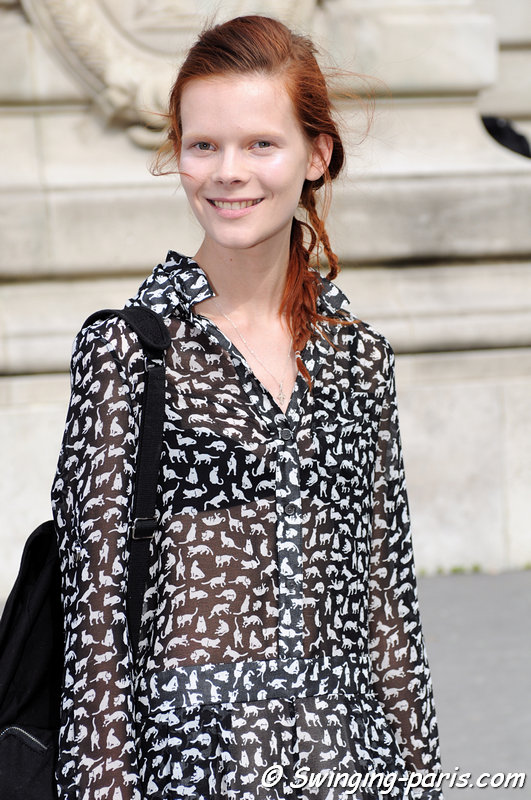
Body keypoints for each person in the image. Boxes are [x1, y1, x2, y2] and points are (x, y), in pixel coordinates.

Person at [52, 14, 442, 800]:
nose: (228, 172)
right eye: (203, 145)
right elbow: (92, 631)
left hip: (349, 763)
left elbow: (387, 609)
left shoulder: (358, 359)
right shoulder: (131, 353)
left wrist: (420, 780)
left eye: (260, 143)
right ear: (179, 154)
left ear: (315, 154)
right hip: (192, 770)